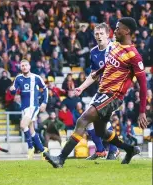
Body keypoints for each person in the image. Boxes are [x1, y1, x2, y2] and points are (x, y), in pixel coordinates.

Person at [44, 17, 148, 168]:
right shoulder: (117, 47)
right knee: (101, 132)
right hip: (102, 93)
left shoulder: (134, 55)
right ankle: (130, 149)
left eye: (118, 28)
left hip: (113, 96)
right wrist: (97, 73)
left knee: (82, 120)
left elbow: (143, 85)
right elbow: (108, 65)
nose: (115, 30)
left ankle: (60, 159)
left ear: (127, 31)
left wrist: (142, 111)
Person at [84, 23, 119, 160]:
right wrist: (82, 87)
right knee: (89, 121)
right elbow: (94, 74)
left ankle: (113, 149)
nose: (98, 36)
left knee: (100, 120)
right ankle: (101, 150)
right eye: (96, 34)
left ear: (108, 34)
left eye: (101, 34)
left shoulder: (115, 48)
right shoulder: (93, 52)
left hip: (114, 91)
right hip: (101, 91)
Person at [9, 59, 48, 159]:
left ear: (29, 66)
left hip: (33, 106)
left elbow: (45, 89)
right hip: (24, 108)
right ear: (20, 67)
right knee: (31, 130)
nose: (24, 67)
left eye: (26, 65)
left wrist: (44, 102)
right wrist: (12, 90)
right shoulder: (18, 78)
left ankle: (31, 147)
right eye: (22, 66)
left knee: (23, 125)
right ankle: (43, 151)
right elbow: (14, 92)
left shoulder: (36, 77)